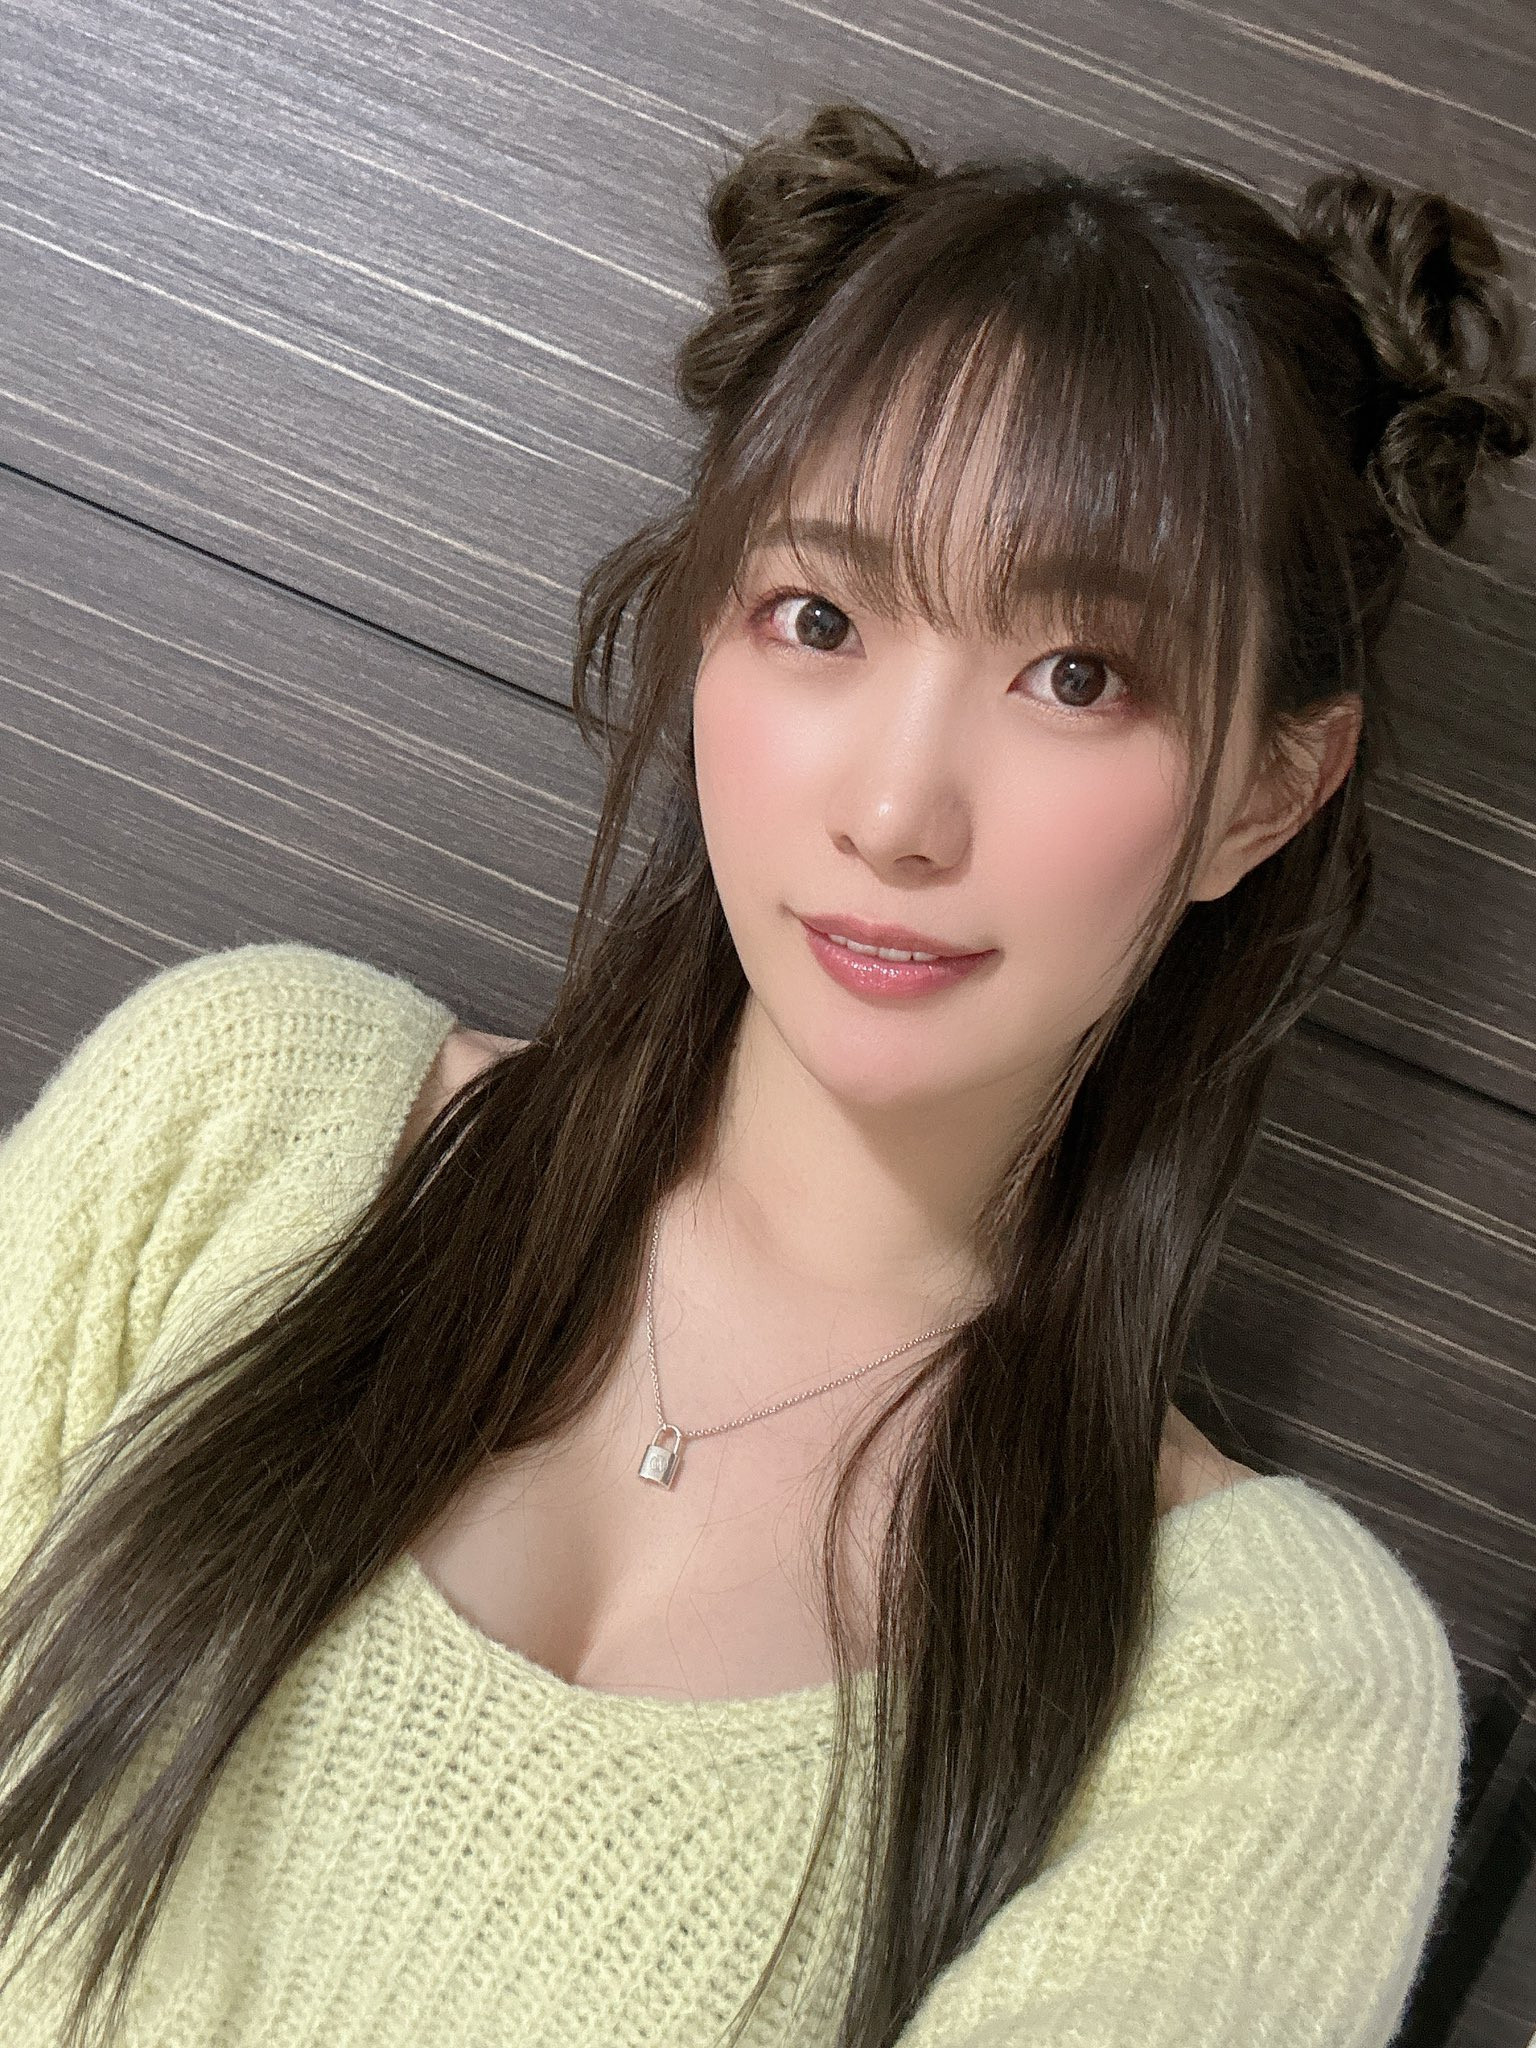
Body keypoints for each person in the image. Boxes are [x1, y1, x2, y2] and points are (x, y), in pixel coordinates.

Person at [0, 99, 1529, 2048]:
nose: (895, 811)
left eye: (1079, 674)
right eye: (820, 616)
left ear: (1267, 791)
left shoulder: (1264, 1691)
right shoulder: (242, 1118)